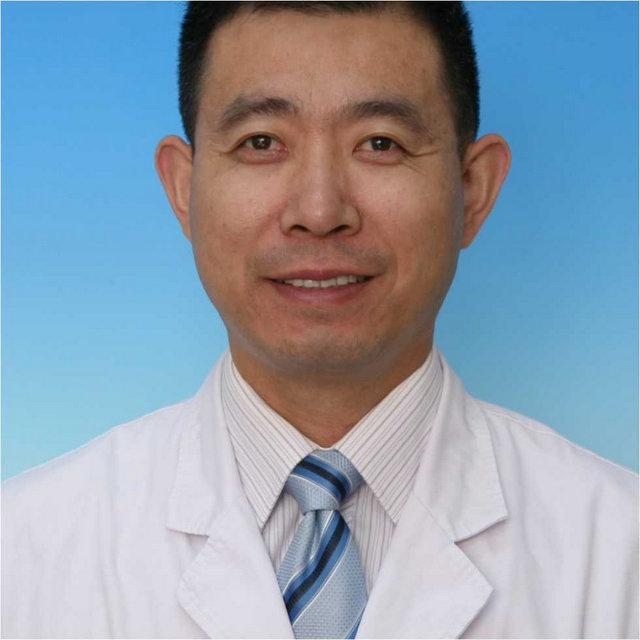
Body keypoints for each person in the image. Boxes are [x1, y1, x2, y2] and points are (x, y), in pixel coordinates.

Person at [2, 2, 637, 638]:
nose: (319, 210)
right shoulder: (24, 550)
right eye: (261, 142)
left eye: (380, 143)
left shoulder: (619, 551)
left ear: (472, 189)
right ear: (183, 189)